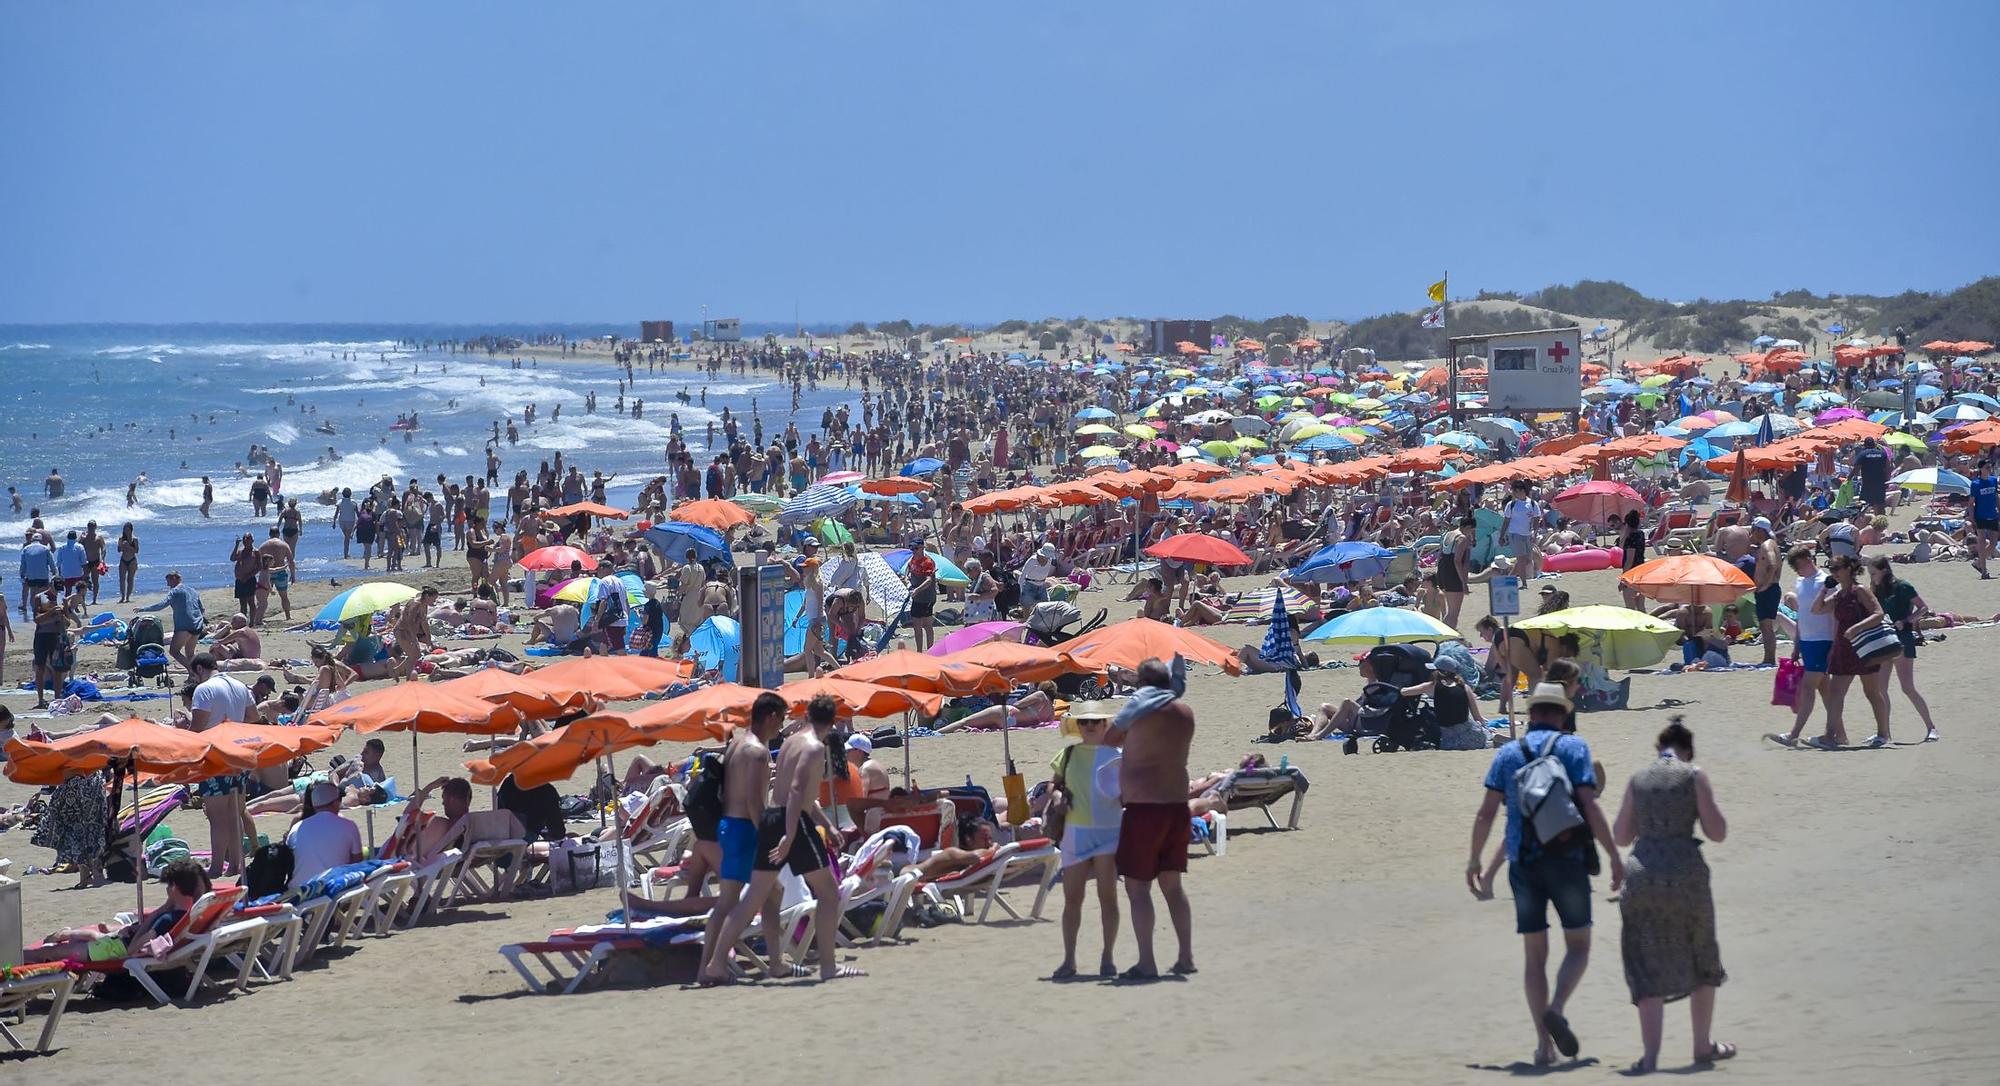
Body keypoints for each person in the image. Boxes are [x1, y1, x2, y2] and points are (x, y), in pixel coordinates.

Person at [1465, 682, 1624, 1068]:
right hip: (1568, 859)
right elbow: (1589, 805)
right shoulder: (1574, 748)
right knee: (1579, 946)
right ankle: (1557, 1007)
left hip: (1523, 864)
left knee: (1535, 957)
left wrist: (1475, 861)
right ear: (1563, 714)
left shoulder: (1507, 754)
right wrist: (1614, 856)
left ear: (1532, 713)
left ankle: (1543, 1046)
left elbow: (1486, 813)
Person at [1612, 721, 1733, 1073]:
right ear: (1688, 750)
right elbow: (1718, 832)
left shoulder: (1638, 779)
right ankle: (1701, 1046)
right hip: (1685, 874)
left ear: (1659, 749)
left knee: (1645, 961)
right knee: (1702, 955)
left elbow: (1621, 835)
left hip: (1642, 874)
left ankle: (1650, 1058)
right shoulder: (1694, 775)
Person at [699, 691, 788, 984]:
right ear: (771, 716)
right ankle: (714, 965)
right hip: (744, 829)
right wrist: (766, 834)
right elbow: (753, 800)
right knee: (733, 901)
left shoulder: (736, 744)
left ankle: (775, 961)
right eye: (781, 720)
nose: (781, 727)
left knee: (771, 893)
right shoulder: (757, 752)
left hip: (729, 825)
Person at [1115, 657, 1195, 981]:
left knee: (1138, 889)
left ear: (1142, 685)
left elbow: (1109, 737)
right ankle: (1185, 956)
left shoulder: (1140, 711)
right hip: (1177, 806)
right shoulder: (1184, 712)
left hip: (1145, 808)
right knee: (1173, 887)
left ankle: (1147, 961)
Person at [1051, 703, 1124, 980]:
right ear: (1078, 726)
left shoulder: (1118, 755)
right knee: (1073, 899)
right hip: (1076, 832)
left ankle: (1108, 957)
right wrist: (1056, 797)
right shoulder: (1068, 753)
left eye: (1095, 721)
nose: (1090, 725)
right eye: (1084, 722)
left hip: (1109, 832)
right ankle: (1069, 959)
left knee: (1108, 897)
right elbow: (1054, 784)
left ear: (1106, 724)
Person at [188, 653, 257, 878]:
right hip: (238, 754)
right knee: (234, 813)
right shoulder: (240, 685)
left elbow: (197, 728)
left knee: (216, 815)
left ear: (199, 669)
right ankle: (236, 864)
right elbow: (254, 717)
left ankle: (217, 867)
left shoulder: (204, 689)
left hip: (216, 756)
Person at [1816, 554, 1893, 747]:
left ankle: (1883, 734)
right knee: (1835, 693)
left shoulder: (1860, 591)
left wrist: (1857, 627)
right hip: (1844, 649)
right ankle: (1830, 736)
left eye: (1837, 569)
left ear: (1849, 569)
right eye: (1831, 569)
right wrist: (1824, 587)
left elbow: (1878, 613)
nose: (1834, 573)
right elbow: (1817, 609)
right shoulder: (1839, 595)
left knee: (1872, 692)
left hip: (1864, 647)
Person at [1773, 547, 1842, 749]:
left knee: (1808, 687)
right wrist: (1797, 645)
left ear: (1807, 560)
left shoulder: (1826, 582)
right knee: (1825, 691)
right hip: (1807, 642)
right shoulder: (1800, 582)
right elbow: (1802, 615)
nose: (1796, 570)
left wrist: (1835, 645)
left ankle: (1793, 735)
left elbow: (1835, 615)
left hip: (1823, 641)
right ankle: (1841, 735)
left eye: (1797, 565)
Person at [1867, 557, 1938, 742]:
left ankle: (1931, 727)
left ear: (1883, 570)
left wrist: (1906, 621)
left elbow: (1923, 608)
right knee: (1880, 690)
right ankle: (1884, 733)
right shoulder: (1876, 590)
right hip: (1884, 641)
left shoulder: (1902, 586)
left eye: (1874, 573)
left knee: (1907, 687)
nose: (1872, 577)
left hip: (1902, 640)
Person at [30, 768, 108, 888]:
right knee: (90, 829)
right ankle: (92, 875)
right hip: (88, 782)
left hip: (72, 784)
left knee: (78, 830)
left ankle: (88, 876)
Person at [284, 780, 364, 889]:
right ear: (336, 803)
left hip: (298, 892)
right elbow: (357, 864)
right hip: (331, 890)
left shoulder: (296, 828)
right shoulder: (348, 825)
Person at [1438, 512, 1474, 628]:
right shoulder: (1462, 538)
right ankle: (1448, 637)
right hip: (1453, 574)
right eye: (1472, 531)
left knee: (1450, 612)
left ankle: (1445, 635)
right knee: (1454, 613)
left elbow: (1441, 554)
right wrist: (1464, 582)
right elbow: (1457, 561)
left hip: (1443, 571)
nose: (1472, 534)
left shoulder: (1449, 534)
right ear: (1467, 528)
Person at [905, 537, 939, 652]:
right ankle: (919, 651)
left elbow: (928, 580)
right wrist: (907, 579)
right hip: (916, 597)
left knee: (927, 624)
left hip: (926, 597)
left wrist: (917, 590)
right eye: (912, 548)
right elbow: (908, 570)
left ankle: (930, 650)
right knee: (916, 624)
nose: (914, 550)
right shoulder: (913, 559)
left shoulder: (927, 562)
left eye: (916, 548)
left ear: (922, 548)